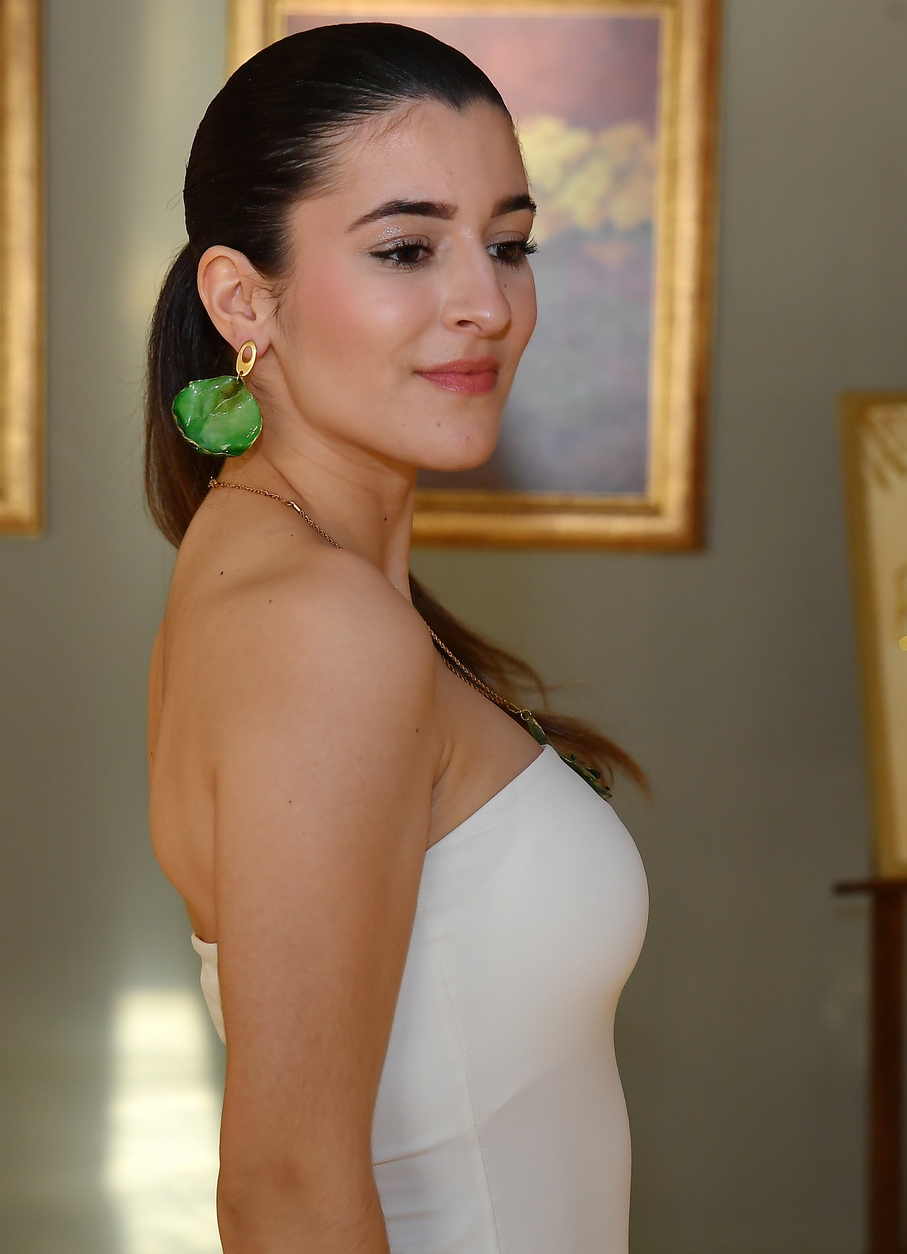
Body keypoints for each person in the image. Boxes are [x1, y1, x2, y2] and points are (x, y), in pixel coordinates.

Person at [143, 24, 649, 1254]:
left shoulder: (290, 575)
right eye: (408, 249)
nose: (488, 304)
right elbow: (284, 1189)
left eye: (509, 245)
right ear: (241, 298)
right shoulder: (320, 628)